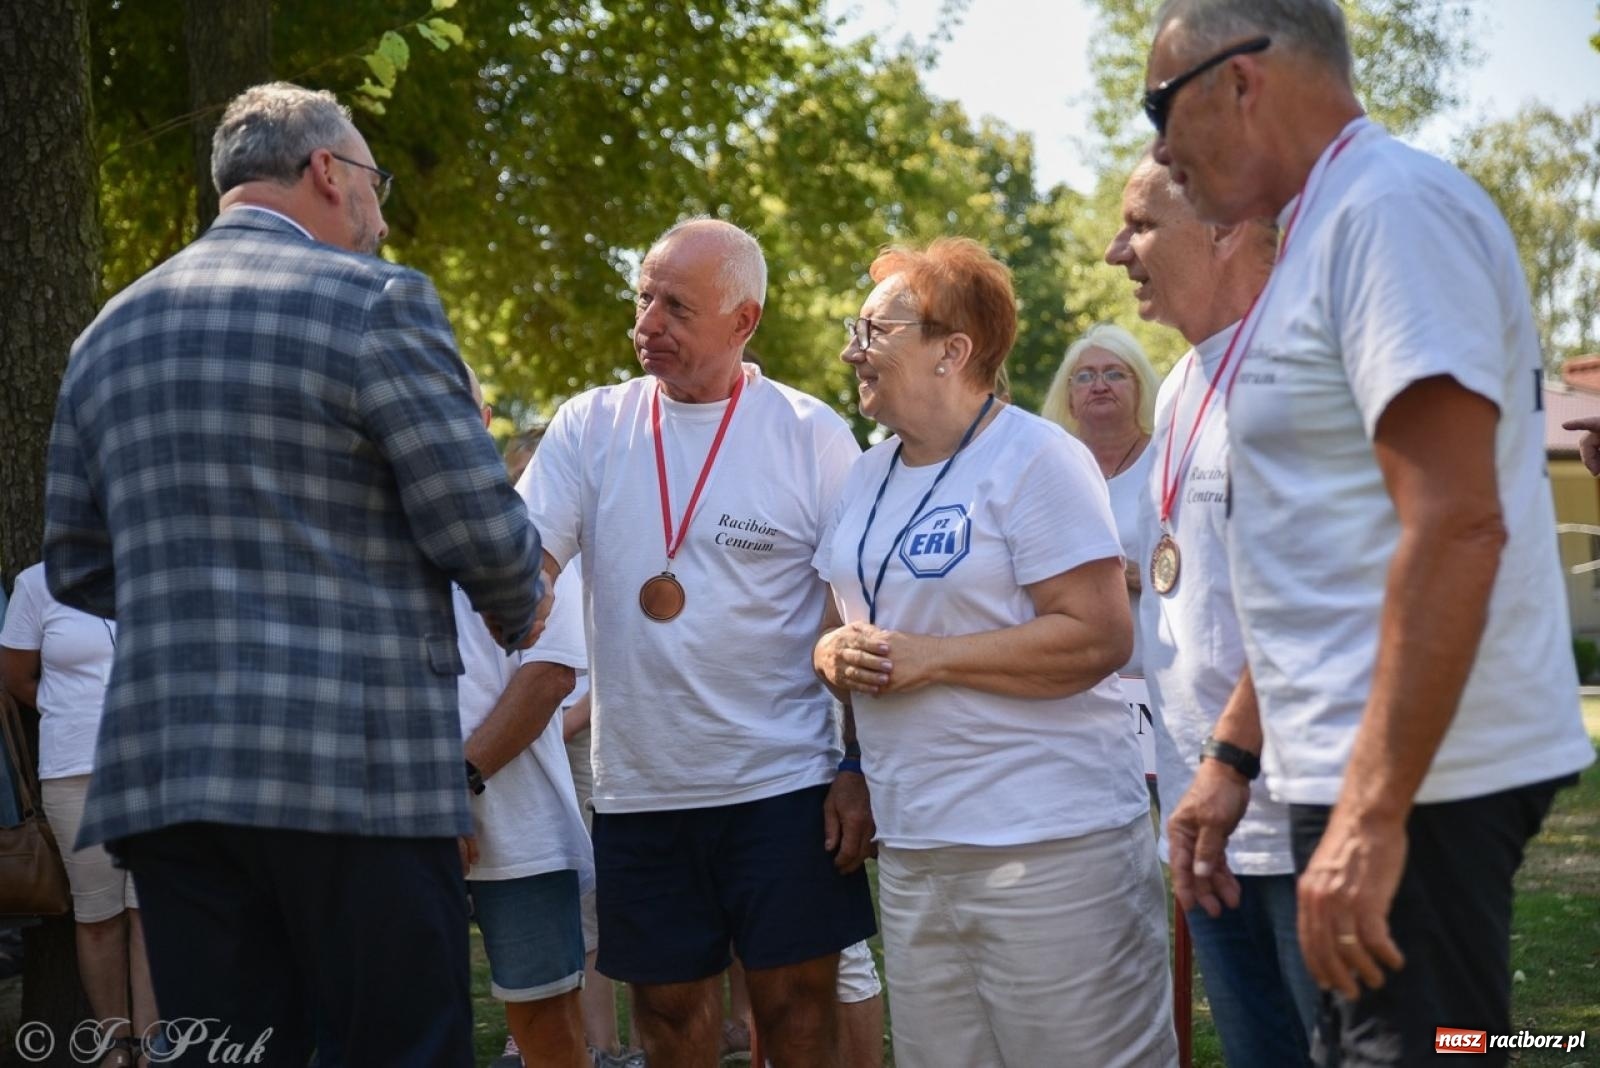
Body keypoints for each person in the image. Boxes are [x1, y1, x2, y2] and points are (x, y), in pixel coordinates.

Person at [42, 82, 545, 1066]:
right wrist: (519, 595)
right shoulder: (374, 301)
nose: (381, 211)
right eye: (374, 181)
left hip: (169, 777)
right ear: (326, 171)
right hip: (352, 772)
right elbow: (474, 523)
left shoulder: (103, 338)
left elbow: (75, 564)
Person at [1144, 3, 1596, 1065]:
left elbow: (1455, 523)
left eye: (1160, 104)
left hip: (1420, 785)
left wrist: (1372, 814)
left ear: (1241, 82)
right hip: (1356, 774)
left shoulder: (1389, 212)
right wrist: (1234, 760)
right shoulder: (1327, 222)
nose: (1158, 146)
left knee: (1435, 1049)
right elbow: (1324, 552)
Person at [517, 217, 876, 1067]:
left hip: (783, 784)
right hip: (643, 791)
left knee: (794, 1016)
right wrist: (518, 595)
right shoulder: (589, 425)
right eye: (644, 296)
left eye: (677, 306)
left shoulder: (809, 431)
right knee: (672, 1021)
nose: (648, 324)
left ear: (742, 321)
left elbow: (857, 614)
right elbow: (527, 559)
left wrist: (858, 770)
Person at [814, 237, 1175, 1067]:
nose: (851, 349)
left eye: (875, 330)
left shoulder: (1037, 458)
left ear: (953, 351)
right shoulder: (864, 478)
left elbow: (1097, 634)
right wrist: (833, 658)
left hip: (1049, 843)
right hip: (916, 844)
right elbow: (851, 628)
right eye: (854, 328)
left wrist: (933, 659)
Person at [1106, 151, 1317, 1067]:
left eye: (1142, 225)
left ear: (1228, 226)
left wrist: (1229, 763)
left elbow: (1319, 604)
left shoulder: (1308, 366)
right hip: (1209, 818)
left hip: (1312, 816)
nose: (1118, 250)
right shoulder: (1185, 383)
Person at [455, 369, 591, 1068]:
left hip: (520, 826)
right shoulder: (359, 530)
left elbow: (549, 674)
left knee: (548, 1028)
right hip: (393, 828)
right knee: (407, 1020)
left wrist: (454, 785)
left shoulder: (526, 528)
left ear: (482, 418)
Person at [1, 563, 156, 1068]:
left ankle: (155, 1046)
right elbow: (18, 678)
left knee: (150, 913)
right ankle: (116, 1046)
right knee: (97, 918)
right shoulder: (36, 584)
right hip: (74, 770)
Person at [1040, 322, 1160, 675]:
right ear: (1069, 398)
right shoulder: (1047, 469)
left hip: (1159, 672)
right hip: (1075, 678)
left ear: (1140, 388)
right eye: (1085, 376)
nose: (1100, 385)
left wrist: (1139, 578)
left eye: (1114, 373)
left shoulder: (1169, 457)